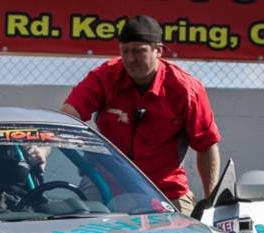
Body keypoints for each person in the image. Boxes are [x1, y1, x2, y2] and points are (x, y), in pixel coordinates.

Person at [60, 15, 220, 214]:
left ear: (158, 50)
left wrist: (211, 201)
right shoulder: (105, 76)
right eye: (124, 51)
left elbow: (206, 145)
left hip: (164, 189)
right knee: (78, 225)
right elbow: (68, 116)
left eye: (138, 51)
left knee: (185, 231)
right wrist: (42, 150)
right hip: (104, 184)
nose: (130, 59)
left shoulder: (186, 89)